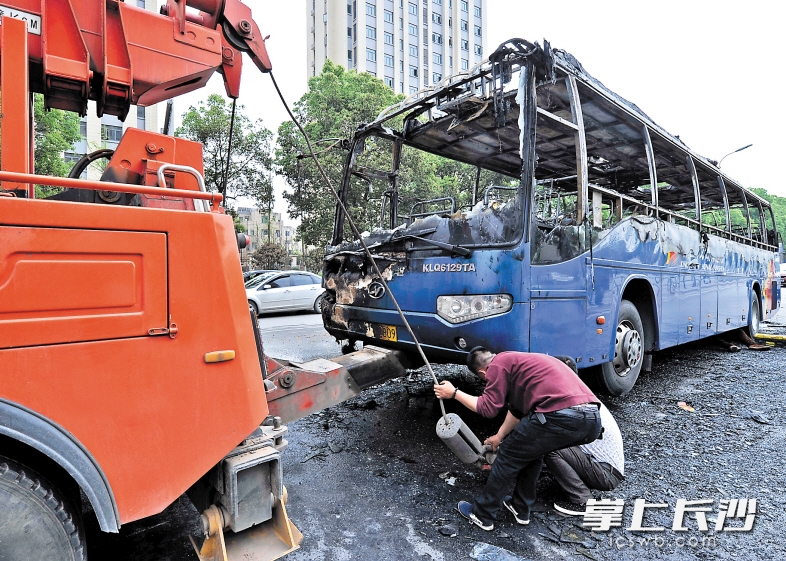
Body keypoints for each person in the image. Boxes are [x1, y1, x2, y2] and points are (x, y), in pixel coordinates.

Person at [434, 347, 602, 531]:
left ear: (483, 372)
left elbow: (487, 408)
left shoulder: (497, 364)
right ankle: (520, 508)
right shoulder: (521, 364)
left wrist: (454, 393)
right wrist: (499, 436)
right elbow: (517, 411)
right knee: (532, 452)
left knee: (507, 456)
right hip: (590, 420)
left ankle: (482, 515)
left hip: (560, 416)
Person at [544, 402, 624, 515]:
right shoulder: (581, 397)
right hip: (606, 469)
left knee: (550, 448)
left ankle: (583, 500)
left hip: (606, 475)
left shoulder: (575, 407)